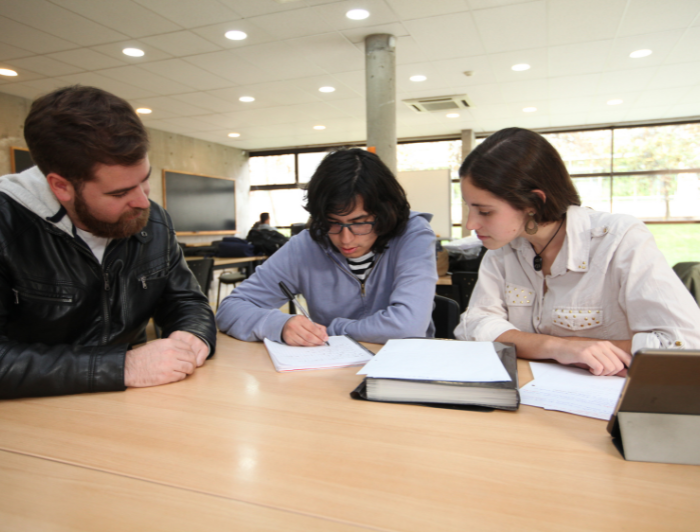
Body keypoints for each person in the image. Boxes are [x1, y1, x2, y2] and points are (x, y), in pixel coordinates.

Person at [0, 85, 217, 399]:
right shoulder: (7, 225)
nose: (143, 202)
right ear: (61, 187)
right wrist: (121, 366)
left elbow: (186, 301)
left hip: (128, 404)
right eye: (119, 193)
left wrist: (192, 334)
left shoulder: (153, 220)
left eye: (145, 181)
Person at [454, 127, 700, 376]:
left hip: (613, 400)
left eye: (485, 211)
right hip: (531, 390)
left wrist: (573, 349)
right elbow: (474, 325)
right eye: (469, 208)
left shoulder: (619, 239)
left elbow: (683, 344)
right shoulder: (503, 249)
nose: (471, 224)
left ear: (534, 202)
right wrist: (557, 347)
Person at [217, 148, 437, 346]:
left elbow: (408, 326)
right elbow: (230, 308)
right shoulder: (306, 245)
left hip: (403, 367)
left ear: (386, 210)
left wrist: (333, 329)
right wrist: (279, 324)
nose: (346, 239)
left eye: (360, 223)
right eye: (333, 223)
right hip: (329, 369)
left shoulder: (413, 235)